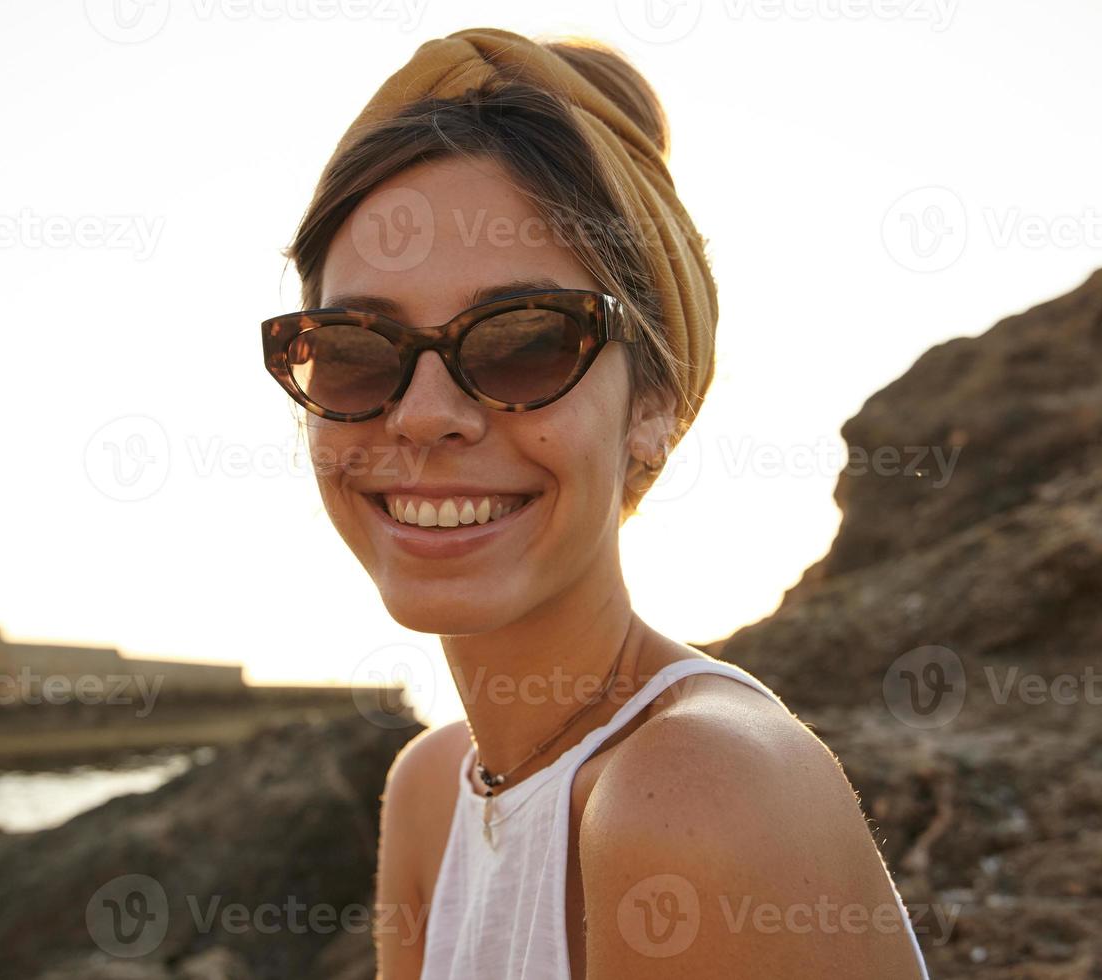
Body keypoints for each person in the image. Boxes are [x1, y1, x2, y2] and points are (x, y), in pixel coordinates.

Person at [263, 27, 932, 979]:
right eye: (355, 350)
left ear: (652, 410)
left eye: (523, 340)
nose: (422, 417)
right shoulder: (431, 794)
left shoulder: (697, 794)